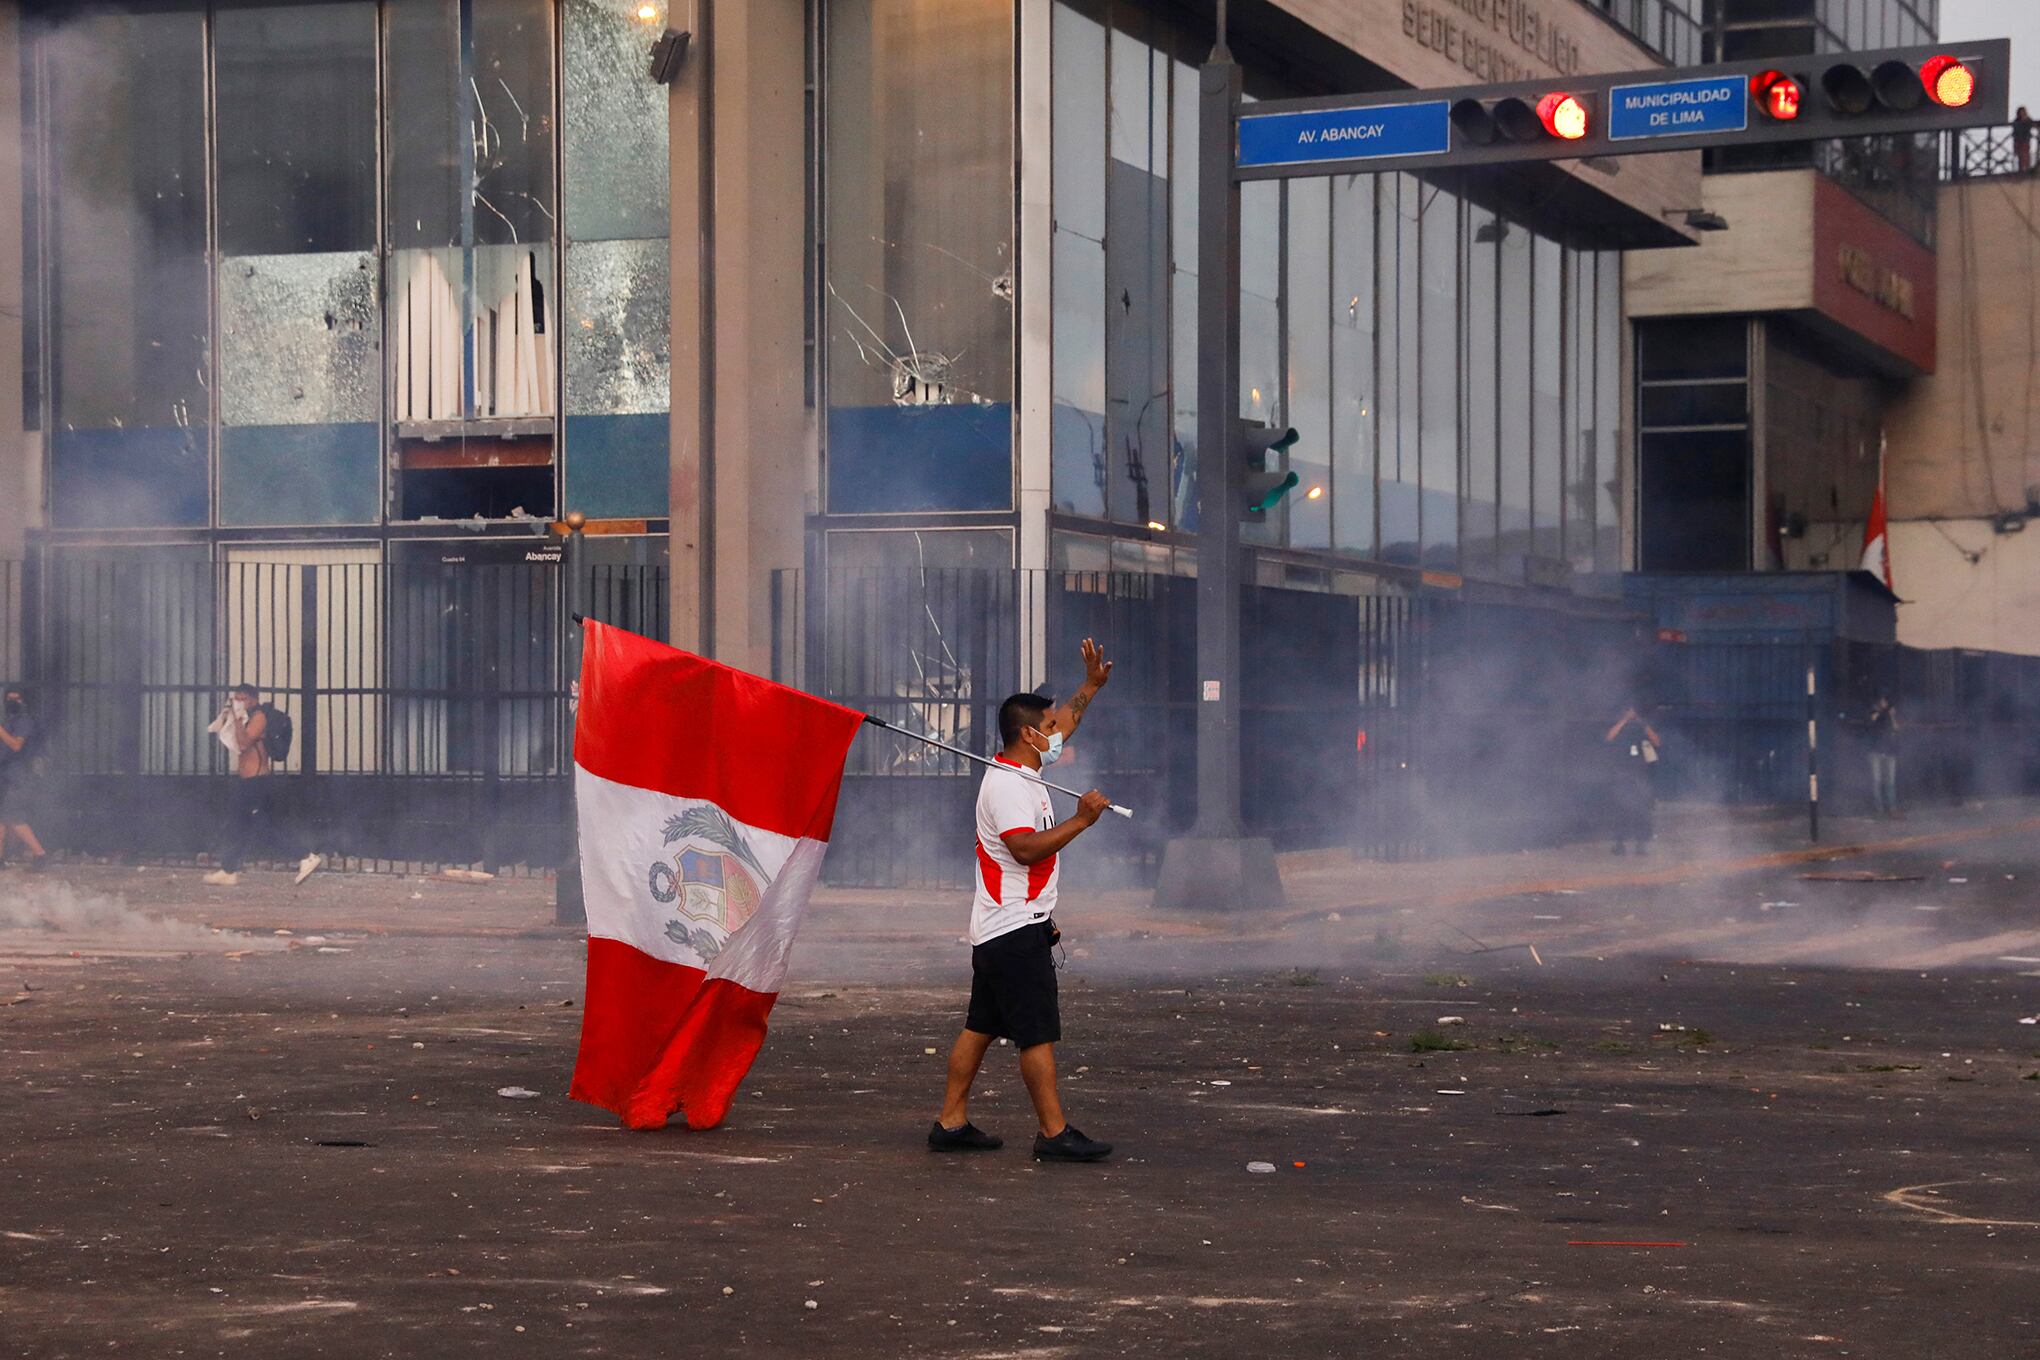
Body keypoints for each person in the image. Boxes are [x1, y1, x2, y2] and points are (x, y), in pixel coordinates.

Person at [930, 638, 1115, 1162]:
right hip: (1015, 928)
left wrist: (1091, 687)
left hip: (998, 928)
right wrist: (1082, 819)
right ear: (1029, 734)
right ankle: (1054, 1134)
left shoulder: (1026, 770)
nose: (1059, 732)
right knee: (1036, 1034)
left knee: (981, 1026)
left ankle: (951, 1121)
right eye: (1050, 726)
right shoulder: (1009, 787)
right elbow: (1024, 849)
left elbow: (1067, 724)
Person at [205, 684, 270, 886]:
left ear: (253, 699)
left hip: (257, 780)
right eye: (236, 699)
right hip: (246, 781)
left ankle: (305, 855)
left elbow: (243, 744)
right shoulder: (247, 717)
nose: (239, 704)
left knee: (266, 824)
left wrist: (239, 719)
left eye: (242, 699)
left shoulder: (259, 717)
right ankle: (229, 869)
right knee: (238, 824)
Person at [0, 686, 49, 871]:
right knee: (2, 818)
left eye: (17, 699)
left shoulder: (24, 721)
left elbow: (16, 746)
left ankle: (40, 855)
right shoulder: (10, 720)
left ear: (24, 701)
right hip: (6, 775)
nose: (12, 702)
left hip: (18, 776)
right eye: (9, 698)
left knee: (12, 816)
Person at [1603, 705, 1662, 856]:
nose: (1630, 714)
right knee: (1621, 809)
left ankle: (1640, 845)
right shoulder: (1619, 726)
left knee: (1641, 810)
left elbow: (1657, 742)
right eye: (1627, 711)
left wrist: (1641, 723)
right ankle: (1619, 844)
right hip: (1622, 774)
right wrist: (1624, 721)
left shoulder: (1642, 727)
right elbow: (1609, 737)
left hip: (1639, 774)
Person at [1866, 694, 1901, 818]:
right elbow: (1873, 720)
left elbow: (1896, 728)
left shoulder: (1890, 714)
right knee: (1877, 781)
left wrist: (1892, 716)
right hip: (1876, 751)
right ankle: (1879, 810)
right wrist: (1884, 712)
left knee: (1890, 782)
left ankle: (1892, 808)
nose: (1884, 703)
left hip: (1890, 751)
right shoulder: (1874, 711)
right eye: (1882, 701)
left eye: (1885, 701)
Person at [2016, 106, 2034, 174]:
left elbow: (2033, 125)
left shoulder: (2028, 120)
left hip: (2025, 141)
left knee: (2025, 155)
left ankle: (2025, 169)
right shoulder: (2017, 121)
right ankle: (2022, 170)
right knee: (2021, 156)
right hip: (2019, 141)